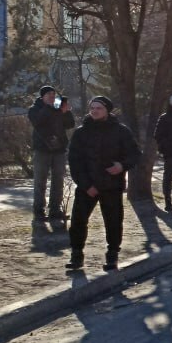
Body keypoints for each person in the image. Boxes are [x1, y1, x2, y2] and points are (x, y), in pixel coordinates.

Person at [64, 96, 140, 271]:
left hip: (111, 185)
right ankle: (77, 255)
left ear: (107, 110)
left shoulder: (121, 131)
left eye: (99, 108)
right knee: (78, 221)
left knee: (113, 222)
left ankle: (112, 256)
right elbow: (74, 161)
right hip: (87, 186)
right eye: (92, 107)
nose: (94, 110)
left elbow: (134, 154)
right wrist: (85, 185)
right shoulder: (81, 132)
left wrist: (122, 165)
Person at [27, 85, 74, 222]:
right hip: (42, 150)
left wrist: (66, 112)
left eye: (54, 95)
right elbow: (38, 122)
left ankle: (55, 210)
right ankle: (39, 211)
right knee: (40, 181)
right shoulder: (35, 109)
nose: (53, 97)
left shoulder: (59, 108)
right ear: (42, 97)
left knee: (58, 181)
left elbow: (70, 124)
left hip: (59, 149)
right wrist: (50, 108)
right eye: (49, 95)